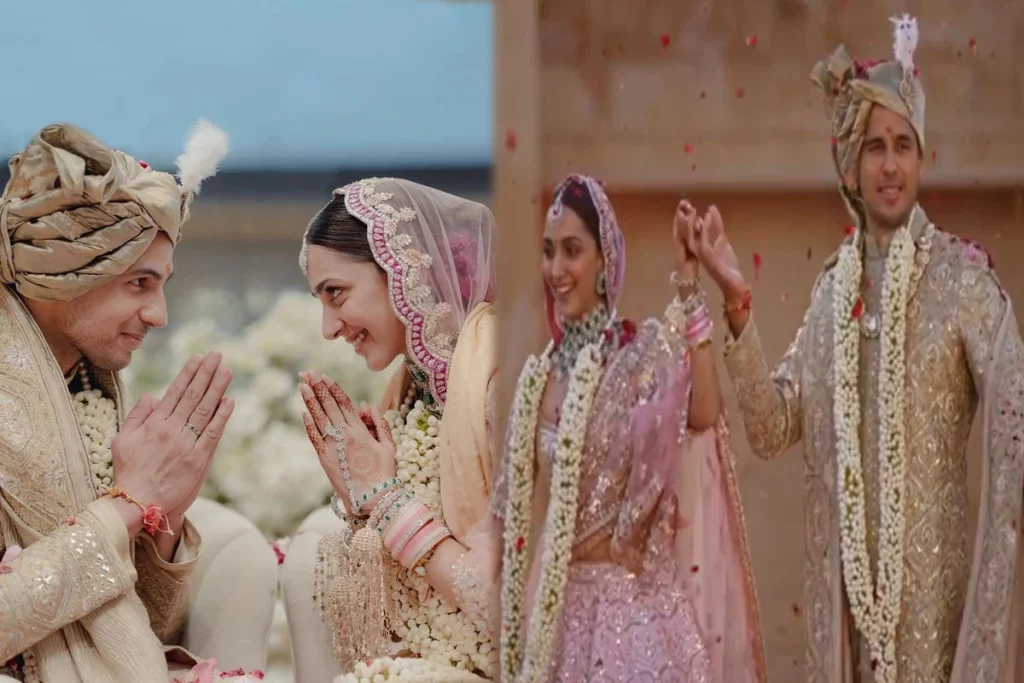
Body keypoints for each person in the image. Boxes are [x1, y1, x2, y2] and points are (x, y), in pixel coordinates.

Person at [693, 15, 1024, 682]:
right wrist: (736, 306)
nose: (891, 165)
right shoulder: (830, 295)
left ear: (922, 158)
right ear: (852, 163)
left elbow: (1014, 411)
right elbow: (770, 425)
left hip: (938, 626)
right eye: (875, 147)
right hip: (845, 626)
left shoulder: (962, 281)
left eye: (904, 145)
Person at [0, 122, 277, 682]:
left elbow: (149, 626)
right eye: (139, 283)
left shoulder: (89, 389)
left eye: (162, 284)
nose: (159, 315)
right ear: (67, 272)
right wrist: (128, 506)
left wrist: (163, 518)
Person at [492, 173, 766, 682]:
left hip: (634, 624)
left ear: (604, 260)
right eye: (548, 251)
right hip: (556, 620)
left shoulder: (639, 354)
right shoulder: (539, 377)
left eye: (572, 250)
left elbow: (704, 413)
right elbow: (505, 515)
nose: (556, 269)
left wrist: (690, 286)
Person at [281, 177, 501, 682]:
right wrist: (361, 504)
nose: (328, 328)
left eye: (336, 293)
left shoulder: (497, 382)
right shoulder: (410, 390)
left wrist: (386, 502)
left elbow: (508, 604)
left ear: (401, 269)